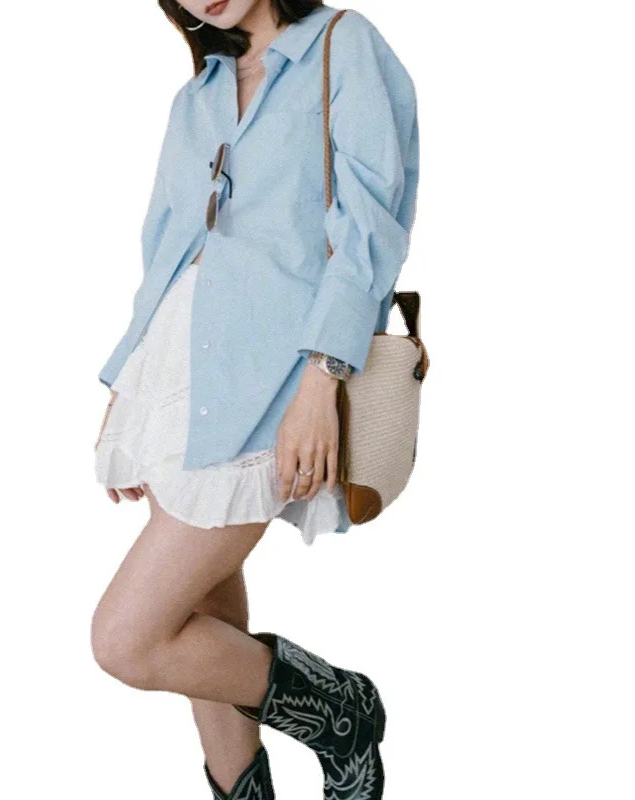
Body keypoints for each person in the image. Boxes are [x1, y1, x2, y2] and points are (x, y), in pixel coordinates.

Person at [91, 2, 419, 798]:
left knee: (128, 639)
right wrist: (128, 380)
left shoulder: (343, 46)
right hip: (180, 374)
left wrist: (321, 376)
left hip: (276, 379)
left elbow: (368, 227)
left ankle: (340, 710)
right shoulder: (198, 94)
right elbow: (168, 245)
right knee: (201, 607)